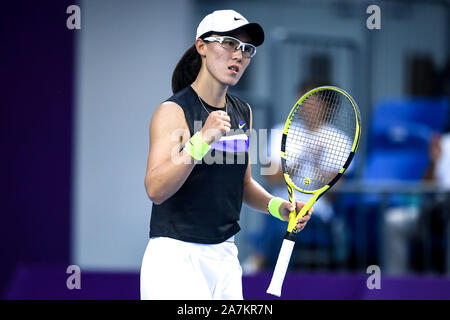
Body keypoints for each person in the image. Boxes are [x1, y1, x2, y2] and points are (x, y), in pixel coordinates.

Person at [140, 9, 313, 300]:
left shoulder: (243, 112)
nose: (239, 55)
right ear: (202, 46)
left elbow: (242, 185)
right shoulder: (173, 111)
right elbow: (156, 189)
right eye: (229, 43)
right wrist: (202, 140)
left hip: (224, 256)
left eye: (246, 49)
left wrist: (277, 207)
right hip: (176, 257)